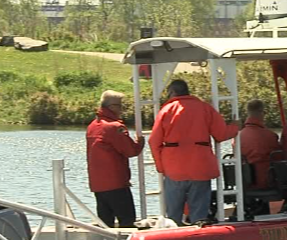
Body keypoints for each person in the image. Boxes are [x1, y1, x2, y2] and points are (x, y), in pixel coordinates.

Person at [149, 79, 239, 225]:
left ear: (172, 92)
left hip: (174, 169)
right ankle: (199, 238)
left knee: (172, 217)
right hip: (201, 167)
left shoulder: (166, 111)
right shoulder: (205, 108)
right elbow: (221, 134)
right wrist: (235, 126)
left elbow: (153, 141)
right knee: (199, 215)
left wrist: (161, 167)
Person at [86, 90, 145, 228]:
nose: (122, 109)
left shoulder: (92, 126)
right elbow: (131, 151)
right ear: (112, 107)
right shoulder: (114, 127)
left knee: (106, 223)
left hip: (98, 184)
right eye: (120, 106)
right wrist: (140, 143)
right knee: (127, 221)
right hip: (115, 182)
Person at [239, 99, 281, 189]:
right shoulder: (269, 136)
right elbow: (279, 157)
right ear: (261, 112)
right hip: (266, 181)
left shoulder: (239, 136)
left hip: (245, 182)